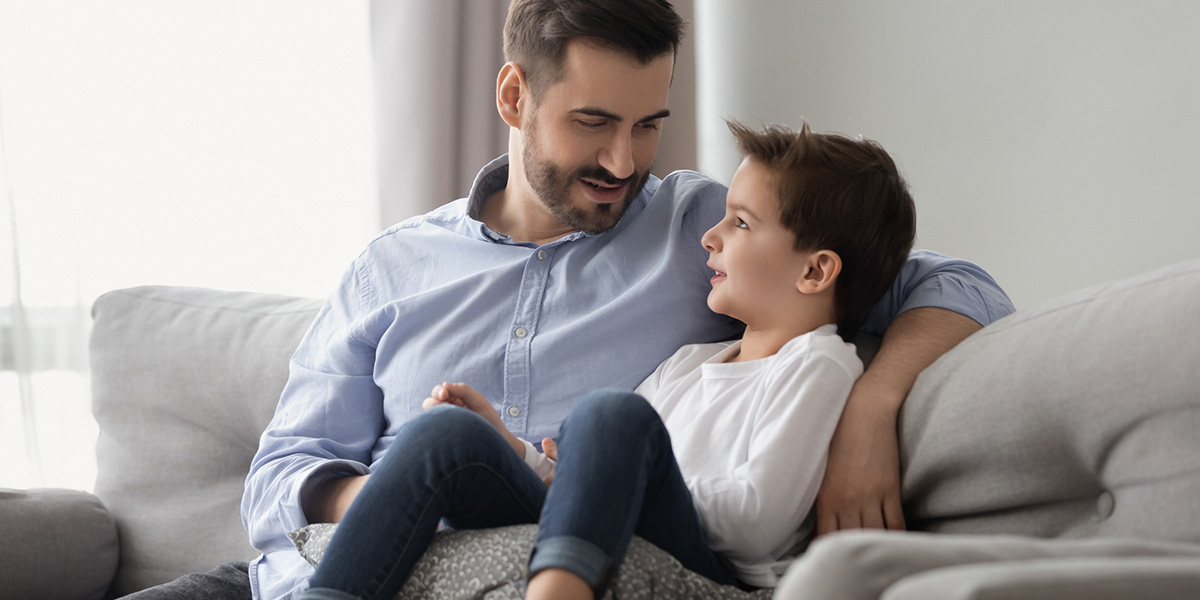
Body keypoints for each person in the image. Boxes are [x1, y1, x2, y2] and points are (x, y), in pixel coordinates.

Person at [126, 1, 1012, 599]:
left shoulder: (705, 227)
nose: (625, 163)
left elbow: (956, 284)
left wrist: (873, 404)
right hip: (337, 567)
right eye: (593, 123)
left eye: (648, 124)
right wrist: (418, 496)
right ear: (515, 96)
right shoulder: (390, 268)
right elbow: (281, 478)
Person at [297, 119, 918, 600]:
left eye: (741, 223)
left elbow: (758, 526)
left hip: (713, 574)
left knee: (612, 417)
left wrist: (629, 475)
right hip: (614, 530)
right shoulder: (691, 362)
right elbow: (577, 487)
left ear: (815, 270)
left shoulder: (819, 366)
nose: (711, 235)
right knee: (445, 432)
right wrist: (508, 444)